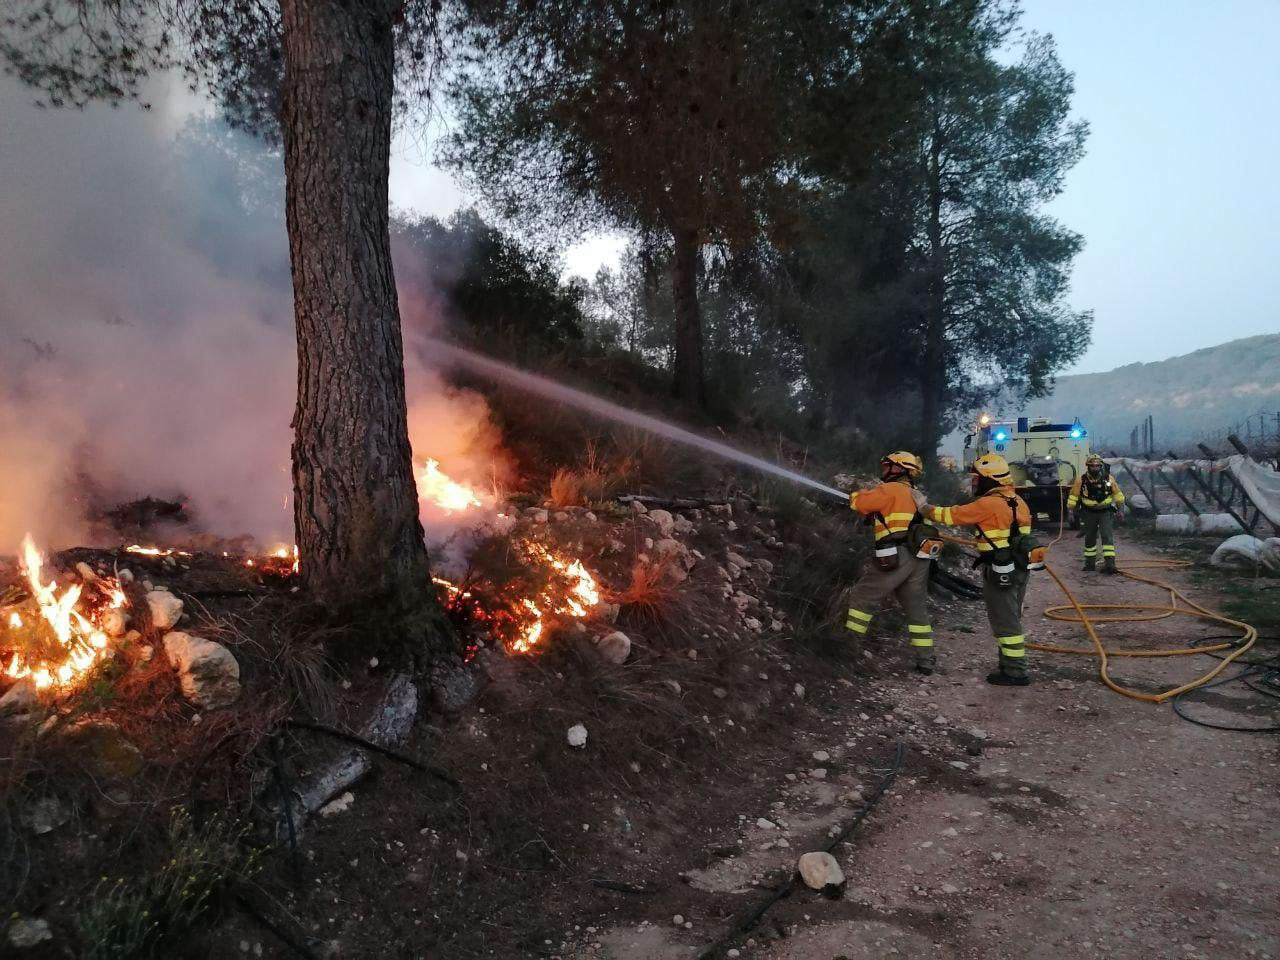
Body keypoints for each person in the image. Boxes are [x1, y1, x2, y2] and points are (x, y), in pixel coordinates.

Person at [921, 454, 1034, 686]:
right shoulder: (1018, 501)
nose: (974, 482)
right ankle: (1008, 664)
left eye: (977, 478)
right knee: (1011, 616)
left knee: (1005, 620)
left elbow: (952, 515)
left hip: (1000, 570)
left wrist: (924, 508)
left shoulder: (988, 504)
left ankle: (1015, 671)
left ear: (990, 479)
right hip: (1020, 568)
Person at [846, 451, 936, 674]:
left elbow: (860, 504)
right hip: (919, 558)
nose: (884, 469)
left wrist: (856, 495)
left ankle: (848, 649)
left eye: (887, 465)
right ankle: (926, 660)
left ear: (898, 468)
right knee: (916, 609)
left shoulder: (889, 489)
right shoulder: (917, 494)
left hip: (895, 556)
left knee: (862, 596)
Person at [1068, 454, 1126, 574]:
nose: (1095, 468)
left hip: (1105, 512)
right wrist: (1070, 512)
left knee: (1107, 536)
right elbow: (1073, 497)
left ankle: (1110, 565)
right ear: (1088, 466)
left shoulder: (1109, 479)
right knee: (1090, 538)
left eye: (1097, 466)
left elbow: (1118, 495)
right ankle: (1089, 565)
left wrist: (1121, 510)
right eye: (1092, 466)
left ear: (1101, 466)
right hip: (1089, 513)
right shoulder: (1081, 480)